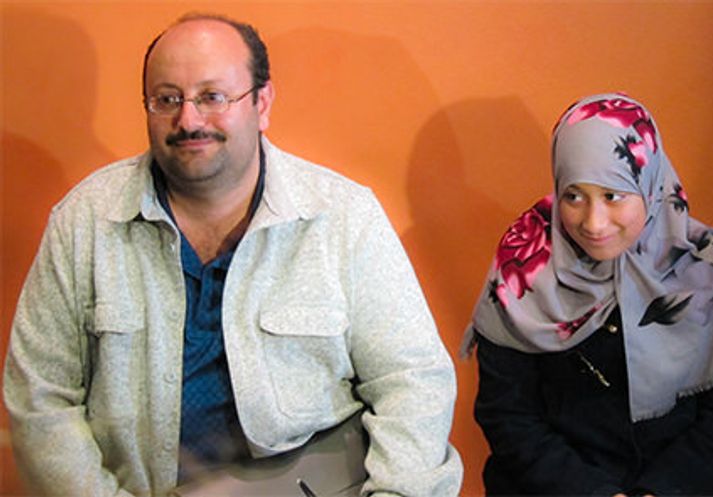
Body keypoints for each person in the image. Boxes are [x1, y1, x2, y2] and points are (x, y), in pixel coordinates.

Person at [3, 13, 462, 497]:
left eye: (212, 96)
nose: (188, 120)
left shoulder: (343, 217)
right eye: (167, 99)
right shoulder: (85, 222)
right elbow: (40, 398)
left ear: (262, 103)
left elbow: (413, 381)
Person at [464, 93, 713, 496]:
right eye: (574, 196)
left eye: (613, 195)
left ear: (650, 186)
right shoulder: (522, 270)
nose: (593, 223)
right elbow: (508, 417)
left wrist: (659, 492)